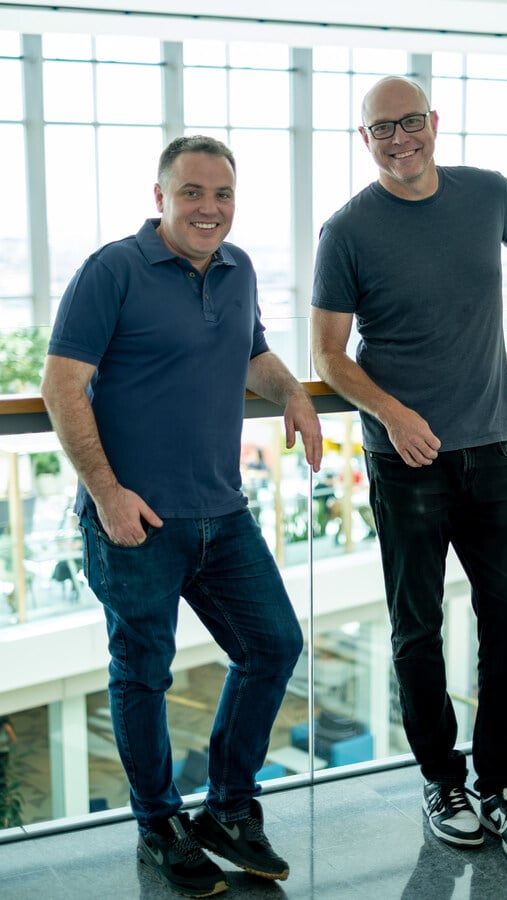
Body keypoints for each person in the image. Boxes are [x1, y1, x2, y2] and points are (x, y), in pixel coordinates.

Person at [41, 134, 322, 898]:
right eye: (192, 192)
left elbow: (253, 353)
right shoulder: (112, 270)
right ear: (160, 197)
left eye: (222, 194)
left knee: (274, 645)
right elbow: (61, 385)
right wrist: (107, 493)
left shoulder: (239, 268)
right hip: (135, 521)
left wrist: (294, 393)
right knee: (143, 673)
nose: (209, 208)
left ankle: (228, 809)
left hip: (222, 512)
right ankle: (158, 824)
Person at [311, 75, 507, 865]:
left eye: (410, 121)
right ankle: (443, 781)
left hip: (490, 451)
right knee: (417, 630)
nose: (399, 139)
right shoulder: (347, 231)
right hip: (405, 462)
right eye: (382, 128)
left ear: (434, 122)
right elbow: (327, 355)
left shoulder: (488, 194)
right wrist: (393, 413)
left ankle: (503, 784)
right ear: (366, 139)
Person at [0, 716, 17, 795]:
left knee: (2, 773)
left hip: (3, 753)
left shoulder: (6, 727)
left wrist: (2, 745)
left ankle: (3, 791)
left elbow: (13, 740)